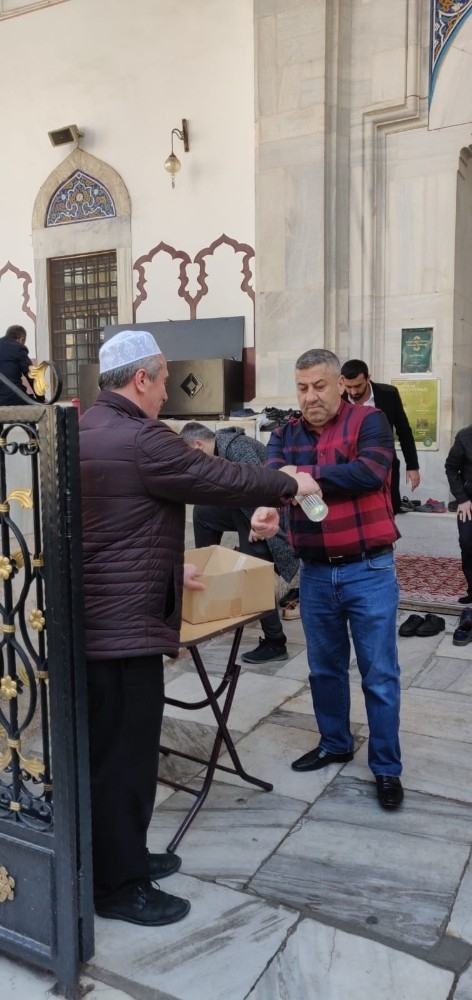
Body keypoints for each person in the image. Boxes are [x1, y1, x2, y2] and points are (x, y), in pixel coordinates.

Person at [79, 329, 320, 927]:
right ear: (142, 378)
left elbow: (108, 529)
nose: (166, 393)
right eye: (162, 380)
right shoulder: (141, 439)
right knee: (128, 763)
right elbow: (222, 479)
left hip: (94, 623)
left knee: (107, 756)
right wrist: (291, 483)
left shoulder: (84, 431)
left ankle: (118, 857)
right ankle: (118, 887)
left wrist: (166, 563)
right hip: (124, 630)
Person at [259, 348, 404, 810]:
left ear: (340, 383)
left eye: (319, 386)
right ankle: (335, 742)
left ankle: (386, 766)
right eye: (302, 388)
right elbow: (269, 477)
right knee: (324, 669)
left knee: (379, 674)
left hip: (370, 568)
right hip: (317, 573)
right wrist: (269, 504)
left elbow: (369, 471)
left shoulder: (369, 422)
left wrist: (301, 479)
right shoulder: (284, 433)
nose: (310, 396)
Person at [180, 421, 300, 663]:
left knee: (253, 559)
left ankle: (275, 641)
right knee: (203, 512)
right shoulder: (216, 453)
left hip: (271, 515)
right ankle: (207, 592)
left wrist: (259, 523)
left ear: (198, 445)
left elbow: (268, 486)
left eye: (190, 459)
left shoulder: (237, 448)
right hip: (243, 511)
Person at [340, 359, 420, 515]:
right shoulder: (337, 398)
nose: (353, 392)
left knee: (389, 508)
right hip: (349, 466)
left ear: (368, 378)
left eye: (358, 386)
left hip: (385, 466)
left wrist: (412, 466)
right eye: (349, 387)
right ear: (342, 381)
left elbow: (404, 430)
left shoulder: (389, 394)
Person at [445, 425, 472, 604]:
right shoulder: (465, 436)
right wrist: (461, 499)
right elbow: (451, 468)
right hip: (469, 503)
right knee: (467, 542)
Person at [0, 324, 37, 405]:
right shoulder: (18, 348)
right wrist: (41, 399)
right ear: (21, 339)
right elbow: (31, 375)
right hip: (13, 398)